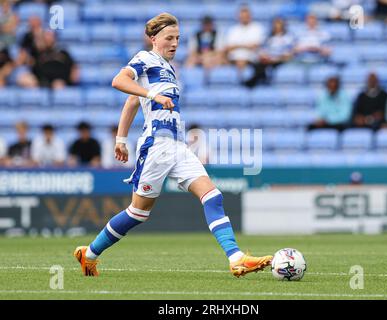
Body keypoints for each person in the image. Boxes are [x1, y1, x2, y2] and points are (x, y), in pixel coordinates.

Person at [73, 13, 272, 277]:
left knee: (213, 196)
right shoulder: (145, 58)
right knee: (137, 213)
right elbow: (119, 82)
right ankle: (89, 255)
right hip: (156, 146)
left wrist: (121, 138)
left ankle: (236, 258)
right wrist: (151, 96)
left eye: (177, 38)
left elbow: (132, 101)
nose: (175, 43)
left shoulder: (168, 68)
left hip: (177, 145)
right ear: (154, 39)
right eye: (169, 38)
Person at [244, 17, 294, 87]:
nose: (277, 26)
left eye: (279, 24)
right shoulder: (268, 37)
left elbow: (289, 52)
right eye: (275, 24)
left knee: (263, 66)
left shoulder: (288, 37)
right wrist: (264, 55)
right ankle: (262, 79)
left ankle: (254, 82)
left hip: (279, 60)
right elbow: (262, 49)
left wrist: (275, 58)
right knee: (256, 64)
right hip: (268, 58)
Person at [224, 5, 265, 70]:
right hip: (234, 59)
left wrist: (237, 45)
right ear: (238, 16)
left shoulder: (257, 28)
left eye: (246, 16)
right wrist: (246, 46)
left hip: (251, 59)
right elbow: (228, 47)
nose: (244, 18)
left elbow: (255, 46)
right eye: (242, 16)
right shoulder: (233, 29)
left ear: (250, 16)